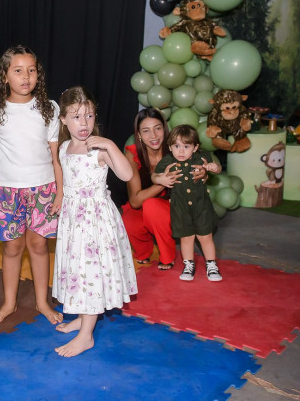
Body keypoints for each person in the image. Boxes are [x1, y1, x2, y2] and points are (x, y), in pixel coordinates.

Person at [0, 45, 63, 326]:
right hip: (6, 190)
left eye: (31, 70)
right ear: (5, 76)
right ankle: (9, 303)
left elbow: (56, 155)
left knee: (38, 245)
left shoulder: (49, 109)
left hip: (43, 189)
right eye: (18, 70)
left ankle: (42, 302)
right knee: (12, 248)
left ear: (38, 75)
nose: (26, 76)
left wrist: (61, 191)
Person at [52, 86, 137, 357]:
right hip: (73, 221)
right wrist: (61, 198)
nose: (84, 123)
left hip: (95, 221)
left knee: (90, 272)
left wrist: (110, 145)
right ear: (63, 119)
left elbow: (126, 175)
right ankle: (82, 317)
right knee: (78, 270)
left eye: (89, 116)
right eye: (76, 116)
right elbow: (64, 177)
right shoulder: (64, 148)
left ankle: (86, 335)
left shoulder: (98, 150)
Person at [121, 108, 207, 270]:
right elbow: (135, 201)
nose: (153, 136)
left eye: (157, 128)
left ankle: (167, 256)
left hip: (175, 206)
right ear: (139, 135)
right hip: (144, 203)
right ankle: (143, 252)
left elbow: (201, 164)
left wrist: (203, 173)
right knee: (130, 219)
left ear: (165, 129)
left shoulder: (177, 148)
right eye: (146, 131)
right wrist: (162, 182)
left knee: (152, 206)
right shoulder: (132, 154)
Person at [152, 124, 223, 281]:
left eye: (186, 146)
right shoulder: (167, 161)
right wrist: (160, 178)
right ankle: (188, 264)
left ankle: (211, 264)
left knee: (205, 236)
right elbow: (154, 176)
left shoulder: (201, 158)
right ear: (170, 147)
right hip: (180, 208)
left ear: (195, 147)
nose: (181, 151)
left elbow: (217, 168)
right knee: (186, 237)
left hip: (201, 206)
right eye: (177, 146)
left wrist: (213, 167)